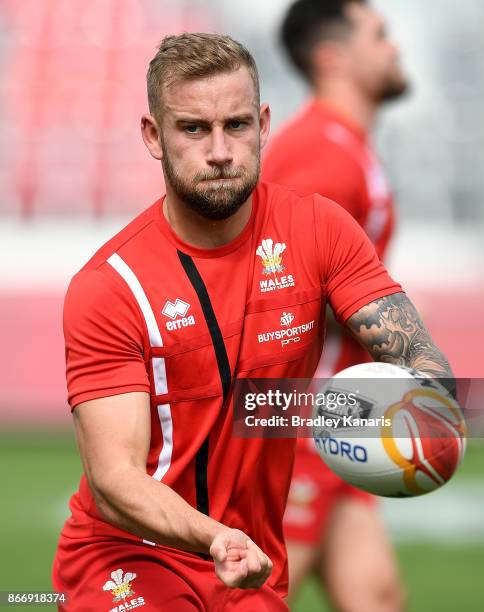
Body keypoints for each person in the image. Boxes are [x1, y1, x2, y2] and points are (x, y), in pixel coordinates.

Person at [52, 32, 452, 611]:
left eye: (236, 125)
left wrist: (432, 407)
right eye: (193, 129)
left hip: (252, 567)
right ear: (152, 136)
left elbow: (412, 352)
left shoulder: (320, 230)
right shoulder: (110, 286)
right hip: (126, 561)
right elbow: (115, 483)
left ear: (263, 124)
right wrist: (215, 537)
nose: (219, 151)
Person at [263, 1, 409, 609]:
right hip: (302, 419)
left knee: (375, 594)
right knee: (259, 594)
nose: (395, 47)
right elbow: (278, 289)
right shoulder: (322, 156)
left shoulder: (343, 146)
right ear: (333, 57)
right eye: (379, 35)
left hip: (341, 412)